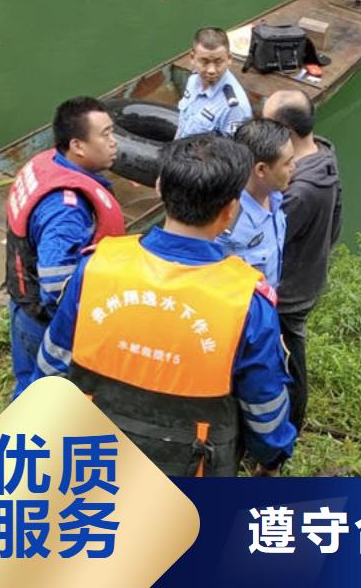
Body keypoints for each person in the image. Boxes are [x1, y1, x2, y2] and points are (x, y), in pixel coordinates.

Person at [30, 134, 296, 477]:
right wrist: (272, 457)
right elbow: (263, 406)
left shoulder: (96, 268)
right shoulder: (247, 302)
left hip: (93, 458)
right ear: (230, 211)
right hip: (191, 469)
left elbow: (52, 363)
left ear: (158, 187)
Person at [6, 96, 123, 399]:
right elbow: (56, 286)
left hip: (22, 301)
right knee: (45, 398)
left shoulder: (47, 165)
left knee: (28, 390)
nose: (114, 142)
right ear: (78, 145)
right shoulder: (65, 210)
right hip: (43, 323)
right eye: (106, 134)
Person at [262, 89, 342, 432]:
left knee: (288, 358)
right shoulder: (323, 153)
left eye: (267, 124)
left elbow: (269, 241)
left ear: (286, 131)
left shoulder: (299, 190)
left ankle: (290, 424)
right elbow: (335, 222)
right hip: (309, 274)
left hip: (289, 290)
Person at [215, 119, 295, 288]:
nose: (293, 167)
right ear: (261, 169)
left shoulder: (275, 196)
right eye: (287, 163)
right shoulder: (228, 220)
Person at [176, 27, 253, 138]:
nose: (211, 70)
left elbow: (234, 147)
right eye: (204, 61)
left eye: (218, 62)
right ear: (192, 58)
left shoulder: (234, 107)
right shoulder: (193, 80)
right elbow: (183, 122)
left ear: (229, 59)